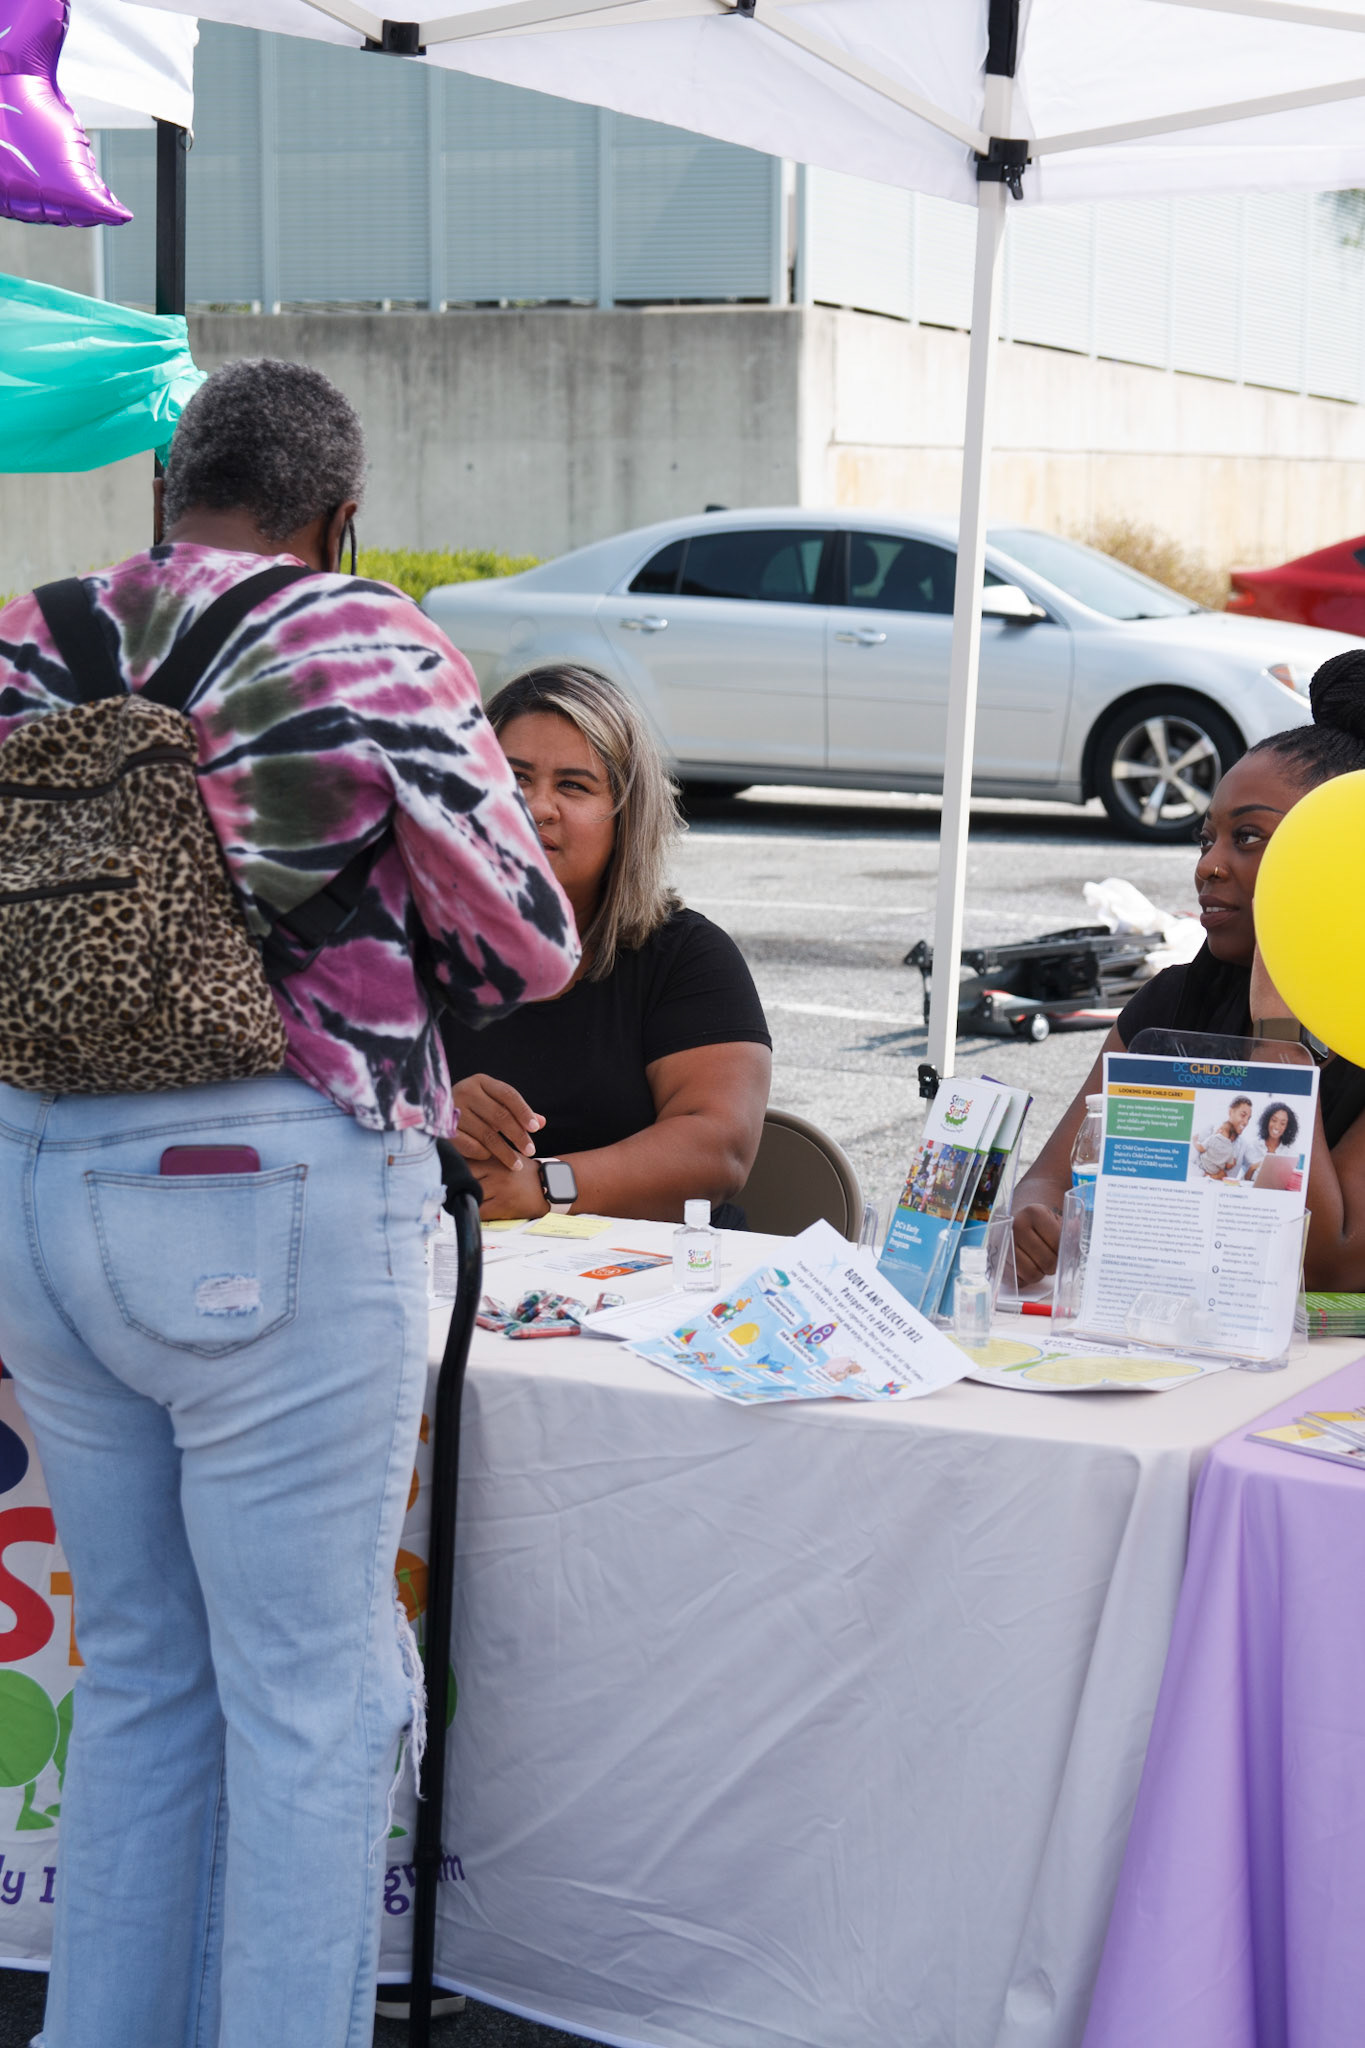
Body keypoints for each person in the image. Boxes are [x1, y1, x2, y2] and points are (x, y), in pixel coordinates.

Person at [0, 360, 579, 2048]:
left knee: (140, 1676)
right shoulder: (357, 635)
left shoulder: (33, 633)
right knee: (311, 1699)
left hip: (37, 1175)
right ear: (341, 517)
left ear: (165, 491)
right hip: (271, 1184)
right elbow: (525, 941)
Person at [1012, 651, 1365, 1289]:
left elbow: (1330, 1264)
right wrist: (1032, 1219)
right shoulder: (1172, 1001)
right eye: (1206, 839)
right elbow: (1049, 1179)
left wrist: (1279, 1034)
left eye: (1248, 837)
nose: (1209, 865)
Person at [440, 665, 772, 1223]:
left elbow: (719, 1150)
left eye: (573, 785)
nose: (537, 807)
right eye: (515, 777)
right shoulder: (406, 946)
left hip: (659, 1273)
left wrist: (546, 1186)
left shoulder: (688, 957)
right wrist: (425, 1115)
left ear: (627, 816)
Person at [1191, 1096, 1252, 1179]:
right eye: (1243, 1115)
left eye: (1248, 1118)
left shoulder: (1243, 1145)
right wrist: (1211, 1176)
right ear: (1230, 1112)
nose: (1246, 1122)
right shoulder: (1209, 1130)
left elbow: (1250, 1168)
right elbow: (1188, 1163)